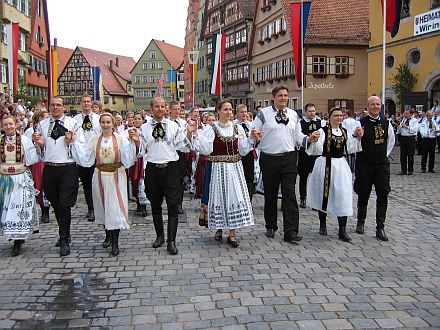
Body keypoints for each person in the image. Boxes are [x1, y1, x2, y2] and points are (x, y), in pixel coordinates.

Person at [250, 85, 319, 243]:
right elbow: (253, 132)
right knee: (271, 193)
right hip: (269, 158)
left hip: (289, 158)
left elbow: (297, 135)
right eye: (280, 95)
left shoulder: (293, 114)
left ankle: (291, 231)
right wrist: (255, 135)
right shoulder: (263, 114)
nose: (283, 98)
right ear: (274, 97)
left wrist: (308, 139)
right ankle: (271, 225)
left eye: (286, 95)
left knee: (289, 195)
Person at [72, 113, 138, 256]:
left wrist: (133, 142)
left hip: (116, 176)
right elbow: (86, 157)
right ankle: (107, 234)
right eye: (103, 122)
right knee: (103, 207)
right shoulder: (94, 140)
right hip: (100, 176)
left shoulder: (121, 139)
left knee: (115, 209)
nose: (106, 125)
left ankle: (115, 242)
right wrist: (73, 143)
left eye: (108, 122)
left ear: (113, 124)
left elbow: (128, 158)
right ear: (100, 124)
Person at [192, 100, 254, 247]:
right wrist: (195, 134)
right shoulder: (211, 128)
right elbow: (205, 149)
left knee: (233, 197)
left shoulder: (237, 128)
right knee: (217, 198)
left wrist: (251, 139)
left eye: (230, 110)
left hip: (234, 168)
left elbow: (244, 149)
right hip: (217, 169)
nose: (229, 112)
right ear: (218, 111)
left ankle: (232, 233)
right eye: (225, 109)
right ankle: (219, 228)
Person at [138, 97, 195, 255]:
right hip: (152, 168)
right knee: (155, 204)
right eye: (157, 106)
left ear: (166, 109)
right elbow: (140, 150)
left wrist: (189, 134)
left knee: (172, 204)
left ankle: (172, 241)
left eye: (163, 106)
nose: (160, 109)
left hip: (171, 168)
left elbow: (183, 146)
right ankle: (160, 236)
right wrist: (135, 142)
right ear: (151, 108)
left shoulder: (173, 126)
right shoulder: (144, 128)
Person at [32, 97, 85, 256]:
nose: (55, 107)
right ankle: (65, 233)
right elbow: (40, 150)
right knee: (55, 203)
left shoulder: (72, 124)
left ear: (64, 107)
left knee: (64, 204)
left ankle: (64, 240)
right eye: (53, 105)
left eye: (58, 105)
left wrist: (72, 142)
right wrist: (39, 144)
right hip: (50, 168)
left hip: (67, 167)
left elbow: (81, 146)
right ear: (49, 107)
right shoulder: (42, 124)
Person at [306, 107, 363, 242]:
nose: (339, 117)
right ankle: (323, 224)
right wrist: (314, 140)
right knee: (324, 193)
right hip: (325, 164)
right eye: (336, 115)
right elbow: (316, 148)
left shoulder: (344, 132)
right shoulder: (323, 131)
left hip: (340, 165)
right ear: (329, 117)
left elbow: (349, 148)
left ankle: (342, 229)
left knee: (343, 194)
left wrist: (355, 136)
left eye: (340, 115)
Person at [353, 96, 395, 241]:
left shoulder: (386, 122)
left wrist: (384, 155)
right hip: (365, 164)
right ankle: (361, 221)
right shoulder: (360, 123)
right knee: (363, 193)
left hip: (381, 165)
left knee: (383, 194)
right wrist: (358, 136)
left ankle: (380, 227)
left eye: (378, 104)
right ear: (368, 106)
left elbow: (391, 141)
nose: (375, 107)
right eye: (373, 104)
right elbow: (354, 144)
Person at [0, 115, 40, 257]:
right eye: (6, 125)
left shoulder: (23, 140)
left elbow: (33, 158)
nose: (9, 127)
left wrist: (36, 147)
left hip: (20, 177)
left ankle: (18, 240)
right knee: (7, 208)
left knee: (18, 208)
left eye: (11, 124)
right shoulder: (0, 140)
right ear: (2, 126)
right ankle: (13, 234)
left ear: (15, 125)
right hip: (4, 180)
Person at [73, 94, 101, 221]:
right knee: (86, 184)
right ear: (81, 103)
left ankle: (98, 206)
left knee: (96, 182)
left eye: (88, 101)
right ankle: (90, 208)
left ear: (91, 103)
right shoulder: (75, 120)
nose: (86, 104)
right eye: (83, 101)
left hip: (95, 154)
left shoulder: (98, 119)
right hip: (81, 155)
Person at [24, 109, 51, 223]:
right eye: (44, 117)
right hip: (36, 162)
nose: (46, 119)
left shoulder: (49, 128)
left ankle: (47, 210)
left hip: (48, 159)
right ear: (38, 118)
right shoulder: (30, 131)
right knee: (38, 185)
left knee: (47, 185)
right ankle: (42, 208)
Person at [298, 103, 322, 208]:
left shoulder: (320, 122)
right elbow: (299, 137)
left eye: (313, 111)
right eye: (310, 111)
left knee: (316, 177)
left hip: (317, 154)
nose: (312, 113)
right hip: (305, 153)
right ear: (305, 112)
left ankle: (315, 201)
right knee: (303, 177)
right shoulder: (301, 123)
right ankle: (303, 198)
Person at [126, 111, 148, 217]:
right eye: (135, 119)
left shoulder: (147, 131)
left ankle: (144, 206)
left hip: (144, 159)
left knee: (143, 182)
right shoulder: (128, 131)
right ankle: (138, 203)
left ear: (143, 120)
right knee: (134, 181)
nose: (137, 120)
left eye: (139, 119)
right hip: (134, 160)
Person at [169, 100, 188, 214]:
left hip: (181, 153)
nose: (177, 111)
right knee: (172, 180)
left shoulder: (183, 123)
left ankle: (179, 203)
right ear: (169, 110)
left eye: (179, 109)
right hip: (170, 153)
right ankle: (172, 202)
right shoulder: (166, 122)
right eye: (175, 109)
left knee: (180, 179)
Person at [234, 104, 255, 201]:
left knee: (249, 176)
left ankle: (249, 199)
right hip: (237, 153)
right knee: (238, 176)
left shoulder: (251, 125)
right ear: (237, 113)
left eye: (245, 112)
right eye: (241, 112)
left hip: (249, 153)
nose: (244, 114)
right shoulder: (234, 125)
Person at [396, 109, 418, 175]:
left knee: (410, 155)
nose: (405, 115)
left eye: (407, 114)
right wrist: (400, 126)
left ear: (411, 114)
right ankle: (403, 170)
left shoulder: (415, 121)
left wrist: (407, 127)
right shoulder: (404, 120)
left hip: (410, 138)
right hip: (403, 138)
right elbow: (399, 130)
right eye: (405, 113)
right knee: (403, 155)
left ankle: (410, 170)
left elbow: (414, 130)